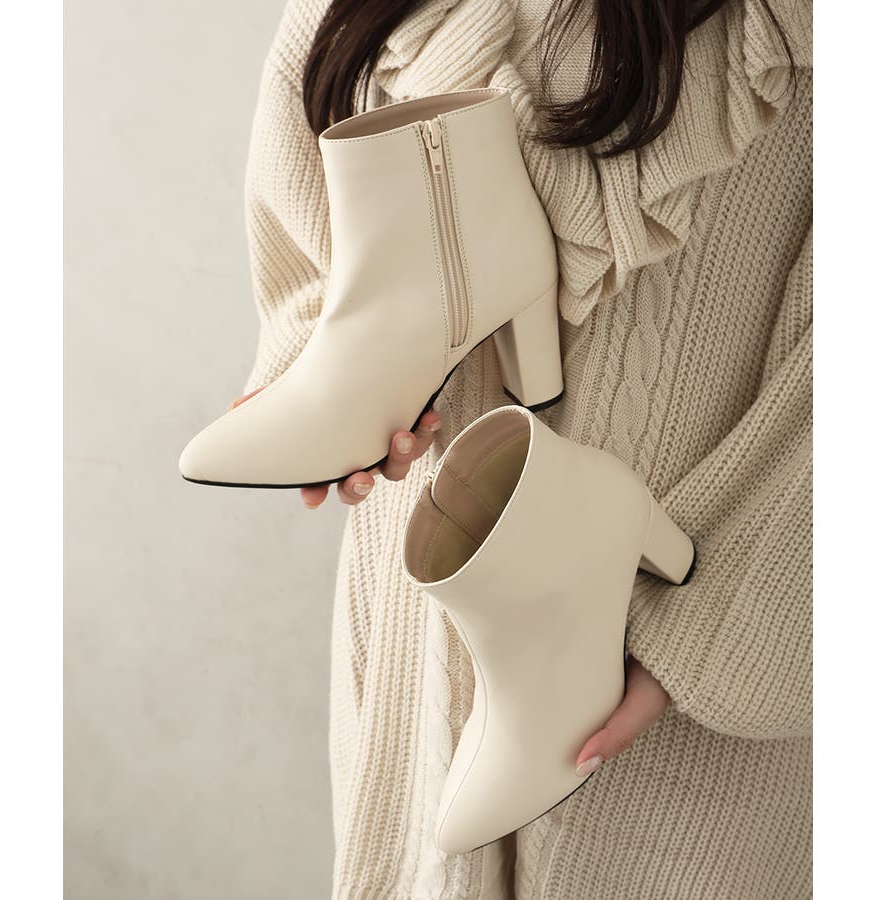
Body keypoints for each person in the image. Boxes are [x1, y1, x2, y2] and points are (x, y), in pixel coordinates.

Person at [231, 1, 812, 896]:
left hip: (677, 636)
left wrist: (714, 632)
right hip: (422, 602)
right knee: (422, 847)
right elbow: (307, 211)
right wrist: (338, 375)